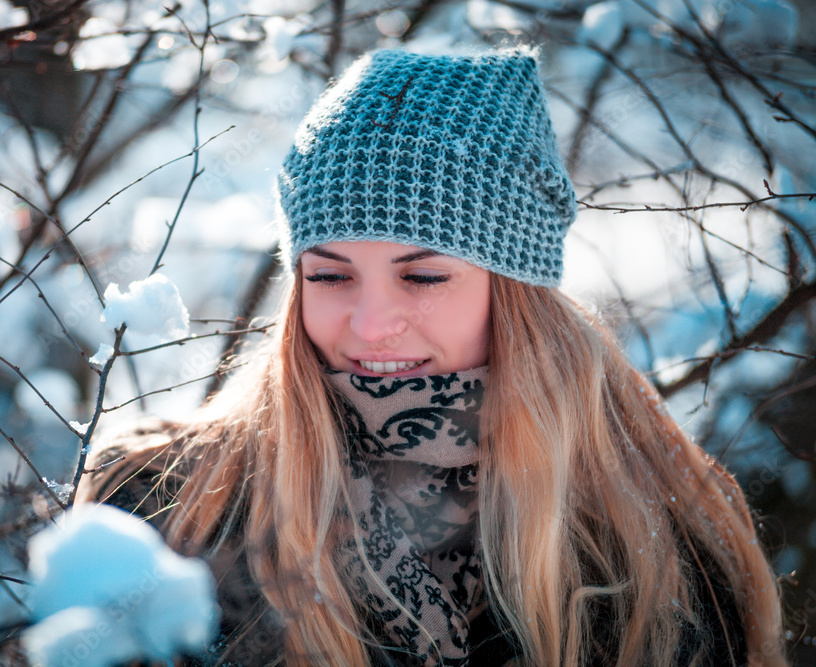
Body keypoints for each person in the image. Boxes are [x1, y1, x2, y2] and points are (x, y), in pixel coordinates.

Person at [76, 49, 785, 666]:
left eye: (422, 276)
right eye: (329, 275)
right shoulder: (167, 509)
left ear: (515, 293)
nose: (371, 322)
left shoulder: (649, 544)